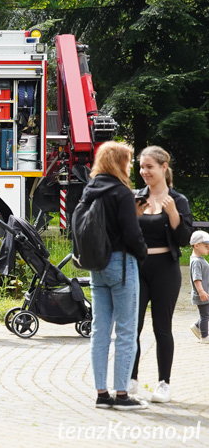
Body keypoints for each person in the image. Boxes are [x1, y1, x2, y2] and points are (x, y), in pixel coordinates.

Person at [83, 141, 148, 410]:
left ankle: (101, 394)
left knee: (99, 330)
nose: (130, 165)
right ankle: (122, 394)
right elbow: (131, 234)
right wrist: (142, 254)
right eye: (128, 160)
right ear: (118, 162)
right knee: (125, 331)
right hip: (122, 264)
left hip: (96, 265)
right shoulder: (121, 192)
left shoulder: (91, 189)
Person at [129, 145, 193, 403]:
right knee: (132, 326)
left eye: (149, 167)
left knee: (162, 328)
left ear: (164, 167)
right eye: (142, 167)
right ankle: (130, 380)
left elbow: (186, 239)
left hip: (166, 269)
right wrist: (132, 217)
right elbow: (123, 236)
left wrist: (173, 215)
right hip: (138, 268)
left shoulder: (178, 200)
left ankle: (164, 384)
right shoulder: (136, 198)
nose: (144, 172)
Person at [188, 230, 209, 344]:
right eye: (206, 246)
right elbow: (197, 279)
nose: (208, 248)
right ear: (196, 245)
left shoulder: (200, 259)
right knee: (205, 315)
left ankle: (196, 326)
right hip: (202, 294)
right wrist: (201, 291)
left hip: (205, 292)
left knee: (206, 314)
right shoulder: (196, 261)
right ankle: (205, 337)